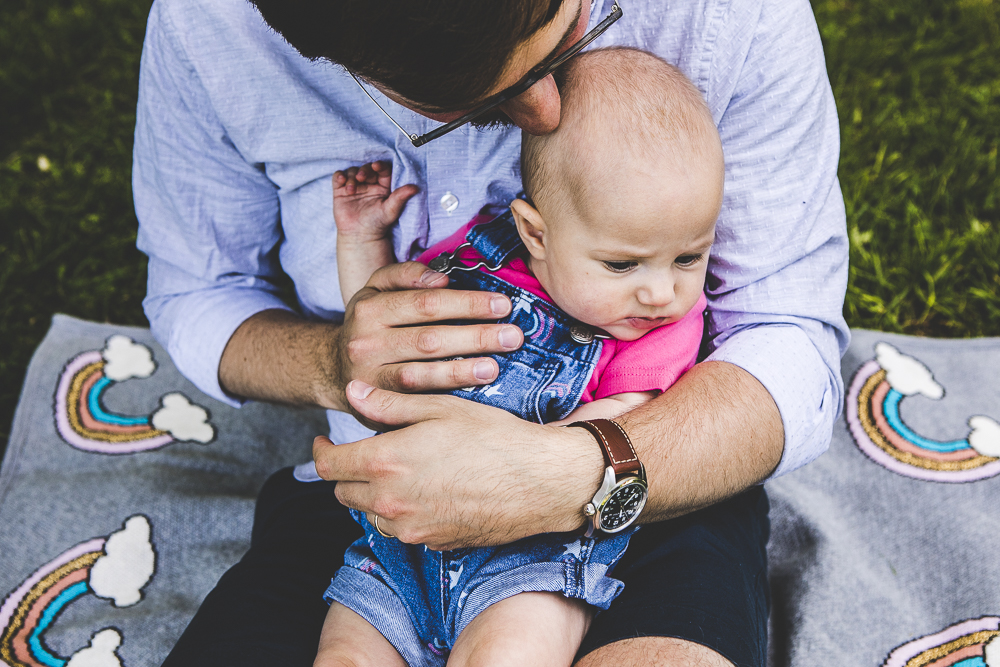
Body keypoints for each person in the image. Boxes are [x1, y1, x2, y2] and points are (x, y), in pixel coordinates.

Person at [137, 0, 849, 664]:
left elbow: (786, 332)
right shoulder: (211, 25)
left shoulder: (728, 16)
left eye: (567, 23)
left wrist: (569, 470)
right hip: (374, 505)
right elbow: (200, 291)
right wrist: (331, 361)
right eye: (470, 103)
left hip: (641, 493)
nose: (546, 109)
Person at [319, 47, 723, 667]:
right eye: (622, 263)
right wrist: (363, 240)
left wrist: (514, 461)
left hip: (530, 555)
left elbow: (621, 419)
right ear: (536, 233)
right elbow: (382, 340)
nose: (661, 291)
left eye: (688, 258)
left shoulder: (655, 327)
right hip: (396, 548)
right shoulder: (475, 259)